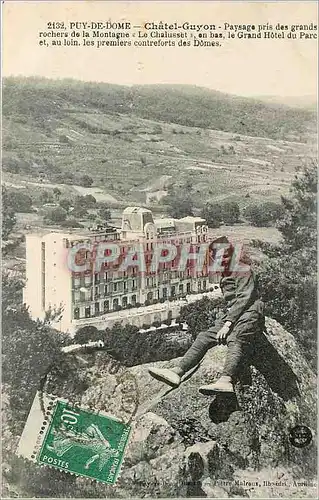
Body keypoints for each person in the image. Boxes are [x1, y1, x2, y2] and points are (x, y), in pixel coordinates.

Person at [148, 237, 265, 394]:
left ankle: (226, 380)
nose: (221, 259)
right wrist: (225, 320)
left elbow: (244, 298)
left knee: (235, 338)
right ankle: (177, 371)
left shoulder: (243, 269)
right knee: (204, 336)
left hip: (250, 311)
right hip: (234, 313)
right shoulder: (227, 273)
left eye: (225, 255)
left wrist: (228, 324)